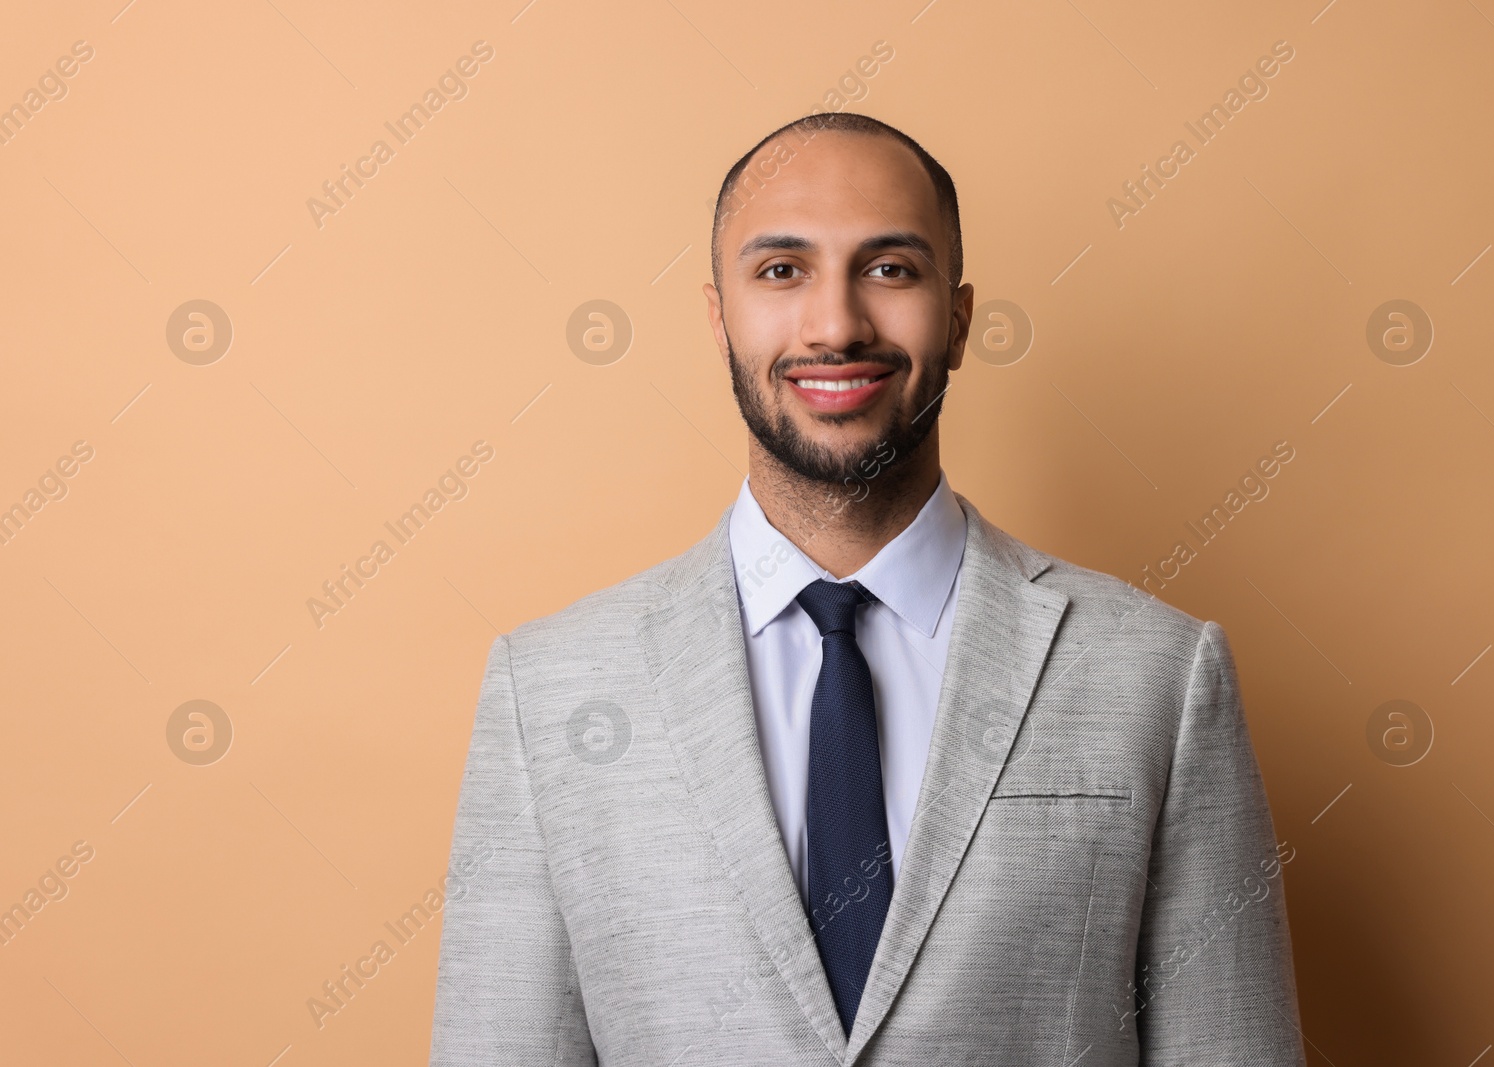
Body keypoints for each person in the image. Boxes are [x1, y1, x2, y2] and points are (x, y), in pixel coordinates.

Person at [430, 112, 1306, 1066]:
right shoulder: (547, 688)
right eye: (781, 271)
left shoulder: (1159, 675)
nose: (837, 324)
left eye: (890, 269)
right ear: (719, 318)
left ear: (960, 319)